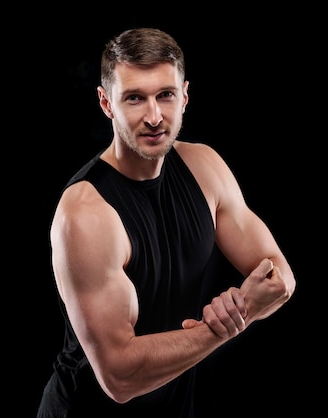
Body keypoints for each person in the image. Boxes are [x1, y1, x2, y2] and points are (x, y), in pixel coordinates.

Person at [36, 27, 296, 417]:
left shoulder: (205, 167)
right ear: (107, 104)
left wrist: (245, 304)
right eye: (135, 98)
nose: (155, 117)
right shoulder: (85, 214)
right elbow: (119, 378)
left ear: (185, 96)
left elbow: (279, 279)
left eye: (166, 95)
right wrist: (227, 323)